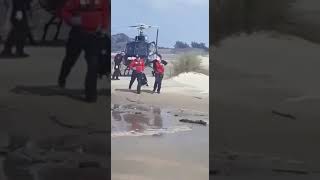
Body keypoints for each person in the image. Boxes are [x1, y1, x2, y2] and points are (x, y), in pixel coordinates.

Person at [57, 0, 110, 103]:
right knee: (70, 60)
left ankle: (91, 95)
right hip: (78, 34)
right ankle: (62, 78)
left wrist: (104, 27)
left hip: (94, 35)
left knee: (93, 65)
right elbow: (64, 11)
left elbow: (105, 11)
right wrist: (71, 19)